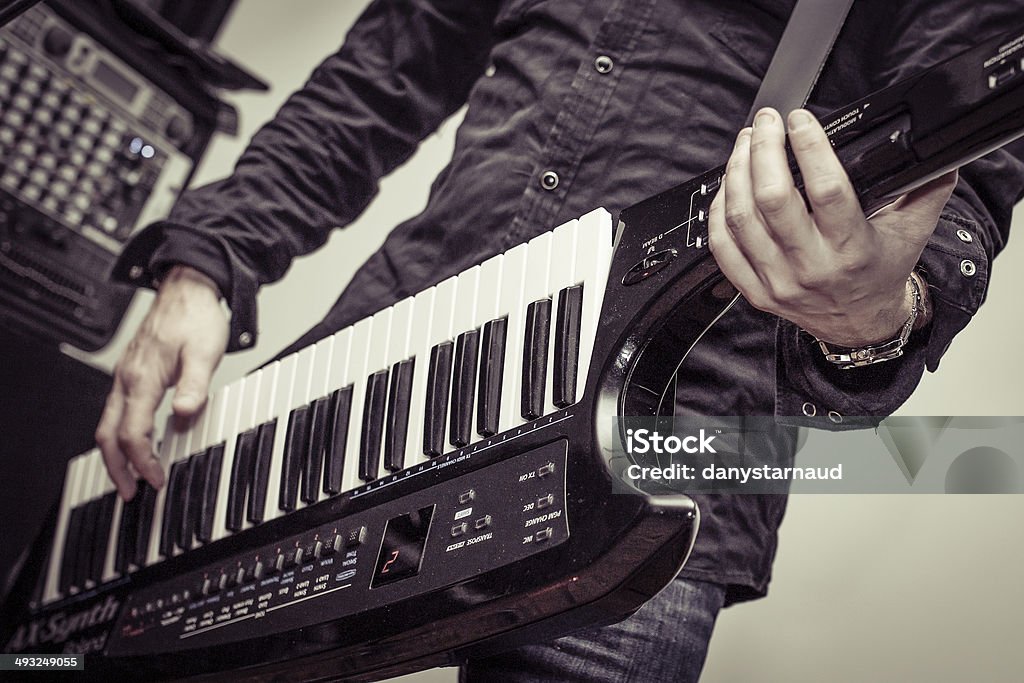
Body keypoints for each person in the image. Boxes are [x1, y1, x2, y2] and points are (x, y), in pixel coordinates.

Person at [94, 1, 1024, 680]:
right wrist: (207, 261)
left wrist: (873, 314)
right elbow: (381, 75)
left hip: (654, 457)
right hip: (378, 390)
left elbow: (960, 193)